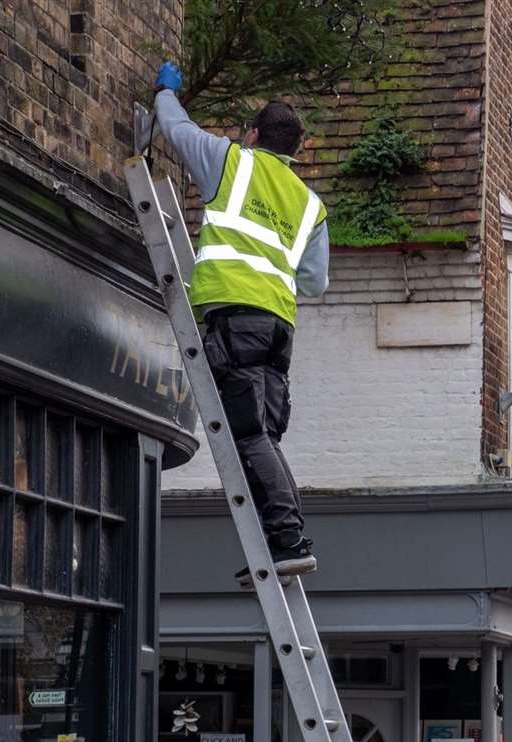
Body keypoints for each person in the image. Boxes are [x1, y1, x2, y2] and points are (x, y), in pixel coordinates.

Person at [152, 61, 330, 577]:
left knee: (249, 434)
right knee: (263, 437)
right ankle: (280, 542)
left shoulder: (233, 162)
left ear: (252, 134)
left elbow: (177, 129)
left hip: (235, 318)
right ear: (295, 150)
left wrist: (166, 90)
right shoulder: (309, 204)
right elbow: (316, 283)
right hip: (279, 328)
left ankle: (290, 538)